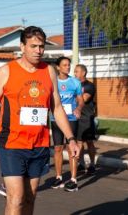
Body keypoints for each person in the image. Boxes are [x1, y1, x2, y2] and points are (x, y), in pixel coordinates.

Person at [0, 26, 80, 215]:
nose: (38, 51)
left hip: (39, 144)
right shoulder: (6, 71)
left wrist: (71, 138)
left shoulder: (49, 71)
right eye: (33, 46)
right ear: (22, 47)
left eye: (41, 46)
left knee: (30, 196)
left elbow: (57, 107)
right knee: (16, 198)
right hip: (12, 144)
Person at [50, 56, 84, 192]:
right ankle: (58, 177)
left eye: (69, 65)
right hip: (56, 119)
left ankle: (73, 179)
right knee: (58, 148)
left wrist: (78, 108)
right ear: (58, 67)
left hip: (71, 119)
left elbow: (80, 100)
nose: (68, 67)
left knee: (71, 147)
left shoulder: (75, 82)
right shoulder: (53, 82)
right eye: (64, 65)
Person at [74, 64, 97, 174]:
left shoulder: (89, 86)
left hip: (86, 118)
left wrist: (72, 95)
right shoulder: (74, 85)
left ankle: (92, 164)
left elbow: (84, 98)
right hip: (76, 117)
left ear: (83, 73)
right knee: (79, 142)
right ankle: (82, 164)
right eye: (74, 71)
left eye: (77, 71)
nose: (74, 73)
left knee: (89, 142)